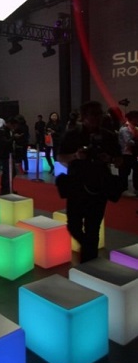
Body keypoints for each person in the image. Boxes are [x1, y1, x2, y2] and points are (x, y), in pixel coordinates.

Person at [58, 100, 122, 263]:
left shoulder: (108, 136)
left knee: (93, 228)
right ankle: (88, 251)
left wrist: (110, 158)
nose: (97, 118)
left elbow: (120, 160)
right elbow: (60, 157)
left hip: (99, 186)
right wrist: (76, 156)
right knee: (73, 225)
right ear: (84, 116)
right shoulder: (72, 134)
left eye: (99, 114)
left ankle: (89, 264)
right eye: (93, 114)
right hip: (77, 185)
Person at [0, 116, 18, 194]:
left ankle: (7, 187)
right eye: (13, 125)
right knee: (7, 172)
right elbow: (5, 143)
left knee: (11, 172)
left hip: (9, 154)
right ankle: (5, 188)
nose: (14, 127)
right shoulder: (2, 131)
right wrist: (13, 137)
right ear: (9, 124)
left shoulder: (8, 131)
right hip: (5, 154)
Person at [118, 109, 138, 196]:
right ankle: (123, 189)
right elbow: (128, 142)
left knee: (136, 170)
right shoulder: (125, 129)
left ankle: (136, 188)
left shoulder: (135, 128)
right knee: (124, 172)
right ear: (132, 119)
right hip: (125, 153)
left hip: (133, 153)